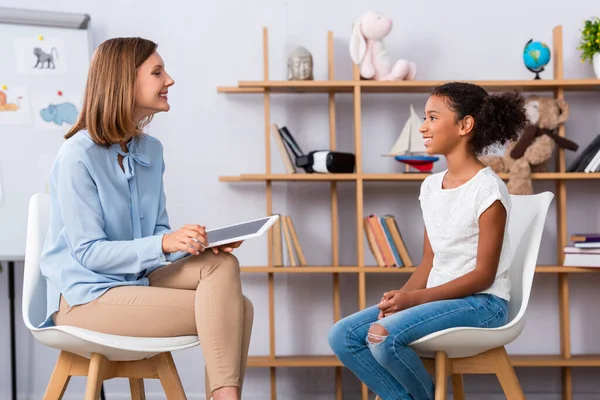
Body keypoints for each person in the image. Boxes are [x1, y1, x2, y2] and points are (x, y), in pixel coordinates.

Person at [39, 37, 253, 400]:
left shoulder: (150, 151)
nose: (169, 80)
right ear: (124, 82)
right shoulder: (77, 155)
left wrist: (194, 246)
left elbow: (155, 234)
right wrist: (164, 242)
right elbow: (89, 252)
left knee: (223, 266)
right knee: (237, 310)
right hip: (88, 297)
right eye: (157, 72)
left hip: (136, 281)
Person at [328, 82, 528, 400]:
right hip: (437, 300)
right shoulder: (431, 187)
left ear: (465, 125)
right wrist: (400, 299)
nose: (423, 126)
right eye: (425, 117)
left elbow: (483, 276)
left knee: (382, 336)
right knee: (343, 335)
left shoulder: (487, 190)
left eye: (433, 117)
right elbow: (429, 262)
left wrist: (416, 300)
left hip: (483, 303)